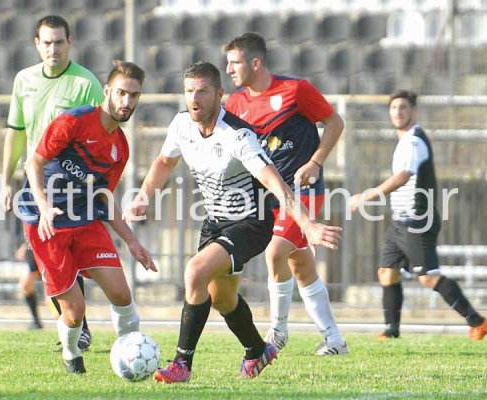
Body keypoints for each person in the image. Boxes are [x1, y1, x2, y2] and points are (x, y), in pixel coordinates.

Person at [127, 61, 342, 384]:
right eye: (189, 91)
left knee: (194, 272)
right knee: (222, 298)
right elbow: (164, 161)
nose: (194, 98)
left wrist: (307, 224)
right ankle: (257, 350)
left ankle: (182, 363)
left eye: (202, 91)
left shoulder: (238, 135)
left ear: (219, 95)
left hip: (251, 223)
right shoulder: (181, 125)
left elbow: (276, 185)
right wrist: (143, 196)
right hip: (215, 223)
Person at [19, 60, 156, 374]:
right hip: (46, 223)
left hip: (85, 220)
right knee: (75, 313)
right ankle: (71, 355)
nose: (126, 101)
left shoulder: (120, 148)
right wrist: (44, 207)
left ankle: (132, 359)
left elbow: (104, 196)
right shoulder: (73, 121)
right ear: (107, 90)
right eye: (121, 93)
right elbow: (34, 163)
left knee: (121, 294)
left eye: (134, 95)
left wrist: (133, 242)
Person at [223, 32, 348, 355]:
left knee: (275, 252)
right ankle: (335, 340)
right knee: (301, 266)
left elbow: (335, 122)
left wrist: (316, 162)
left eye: (234, 63)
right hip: (266, 197)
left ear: (255, 62)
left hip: (302, 192)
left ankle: (277, 331)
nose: (229, 69)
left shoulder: (296, 90)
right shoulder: (234, 103)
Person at [349, 89, 487, 340]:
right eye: (394, 108)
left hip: (417, 220)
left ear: (413, 111)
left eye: (403, 107)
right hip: (399, 222)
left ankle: (478, 322)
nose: (398, 112)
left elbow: (403, 176)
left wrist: (368, 195)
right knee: (386, 272)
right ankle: (391, 331)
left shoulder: (414, 141)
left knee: (427, 278)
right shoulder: (404, 141)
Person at [2, 15, 103, 347]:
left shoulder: (86, 83)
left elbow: (100, 134)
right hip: (34, 180)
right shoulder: (24, 80)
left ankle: (78, 324)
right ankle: (73, 324)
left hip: (71, 181)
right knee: (48, 254)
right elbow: (16, 132)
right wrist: (5, 179)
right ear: (37, 44)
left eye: (59, 42)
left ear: (69, 42)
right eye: (47, 42)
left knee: (67, 251)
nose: (53, 48)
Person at [15, 242, 43, 329]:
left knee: (51, 298)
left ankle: (65, 320)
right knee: (25, 286)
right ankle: (35, 320)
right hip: (33, 250)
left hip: (46, 249)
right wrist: (24, 245)